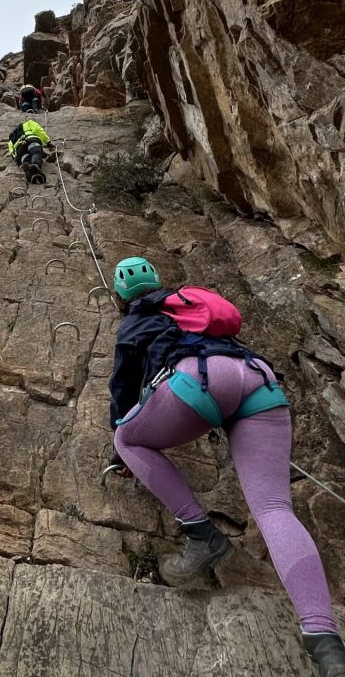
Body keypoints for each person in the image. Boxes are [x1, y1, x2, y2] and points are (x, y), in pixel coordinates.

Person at [107, 256, 345, 677]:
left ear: (120, 297)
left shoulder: (133, 322)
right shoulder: (186, 304)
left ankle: (200, 534)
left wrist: (120, 442)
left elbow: (123, 390)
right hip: (258, 379)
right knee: (274, 508)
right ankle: (325, 642)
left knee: (126, 438)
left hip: (196, 382)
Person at [8, 120, 54, 185]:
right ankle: (35, 165)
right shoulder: (28, 123)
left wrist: (18, 161)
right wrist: (48, 142)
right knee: (35, 152)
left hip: (19, 147)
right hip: (30, 139)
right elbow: (38, 130)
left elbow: (12, 152)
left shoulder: (11, 137)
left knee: (25, 158)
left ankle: (28, 168)